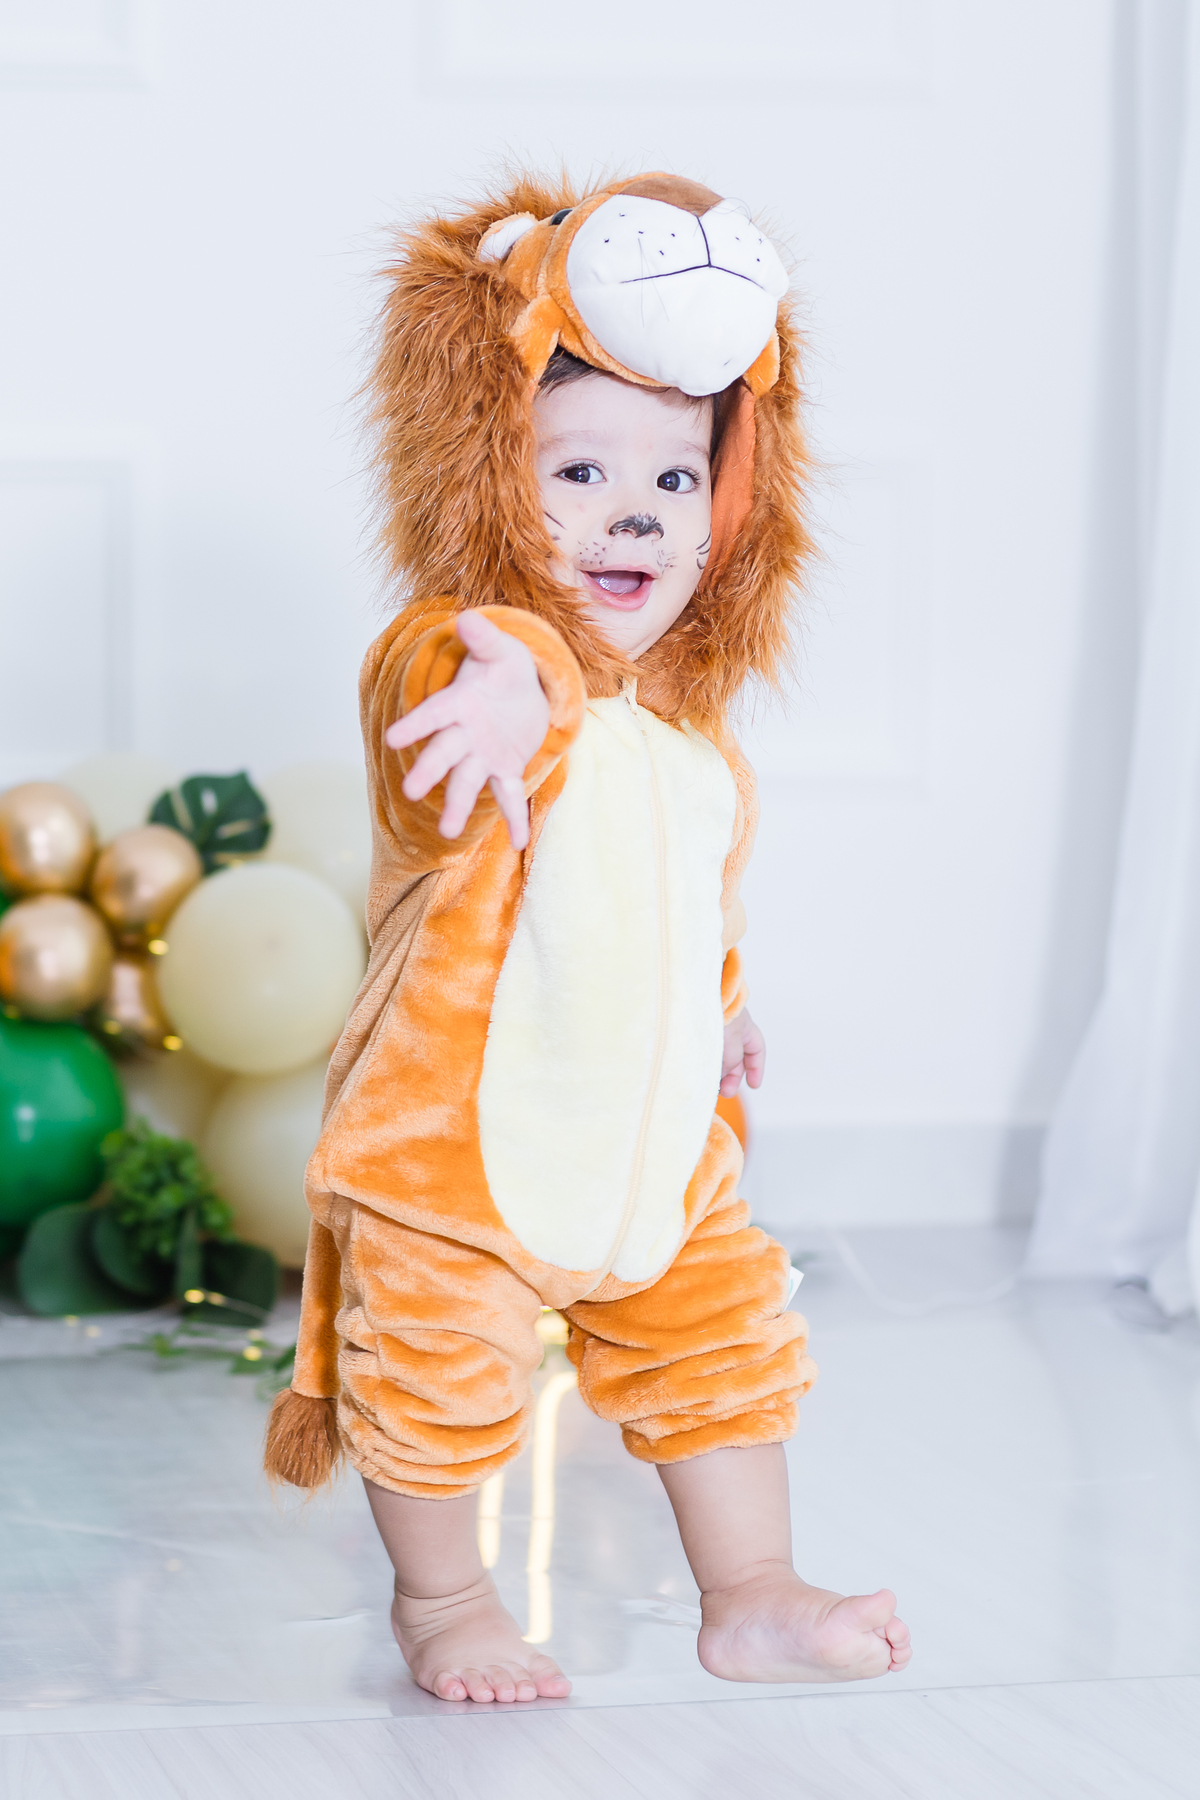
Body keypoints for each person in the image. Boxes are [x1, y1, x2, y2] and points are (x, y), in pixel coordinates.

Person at [265, 172, 911, 1704]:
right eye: (576, 470)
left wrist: (724, 1014)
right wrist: (498, 680)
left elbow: (691, 908)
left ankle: (750, 1593)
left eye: (676, 478)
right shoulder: (463, 665)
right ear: (489, 483)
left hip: (656, 1160)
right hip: (463, 1163)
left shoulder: (694, 746)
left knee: (725, 1351)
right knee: (432, 1380)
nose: (636, 511)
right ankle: (444, 1603)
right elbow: (484, 671)